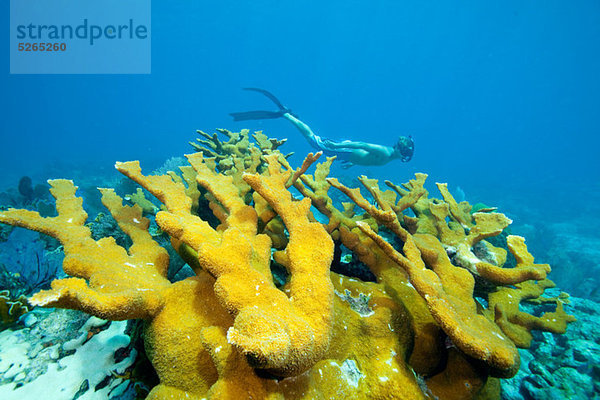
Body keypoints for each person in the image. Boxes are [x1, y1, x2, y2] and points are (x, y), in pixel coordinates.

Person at [230, 88, 414, 168]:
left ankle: (287, 115)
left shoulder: (389, 156)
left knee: (315, 141)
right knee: (313, 140)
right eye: (405, 151)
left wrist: (352, 162)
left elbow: (368, 156)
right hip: (345, 150)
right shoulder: (385, 151)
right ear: (399, 149)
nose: (405, 155)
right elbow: (363, 145)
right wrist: (338, 147)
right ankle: (286, 114)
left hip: (347, 154)